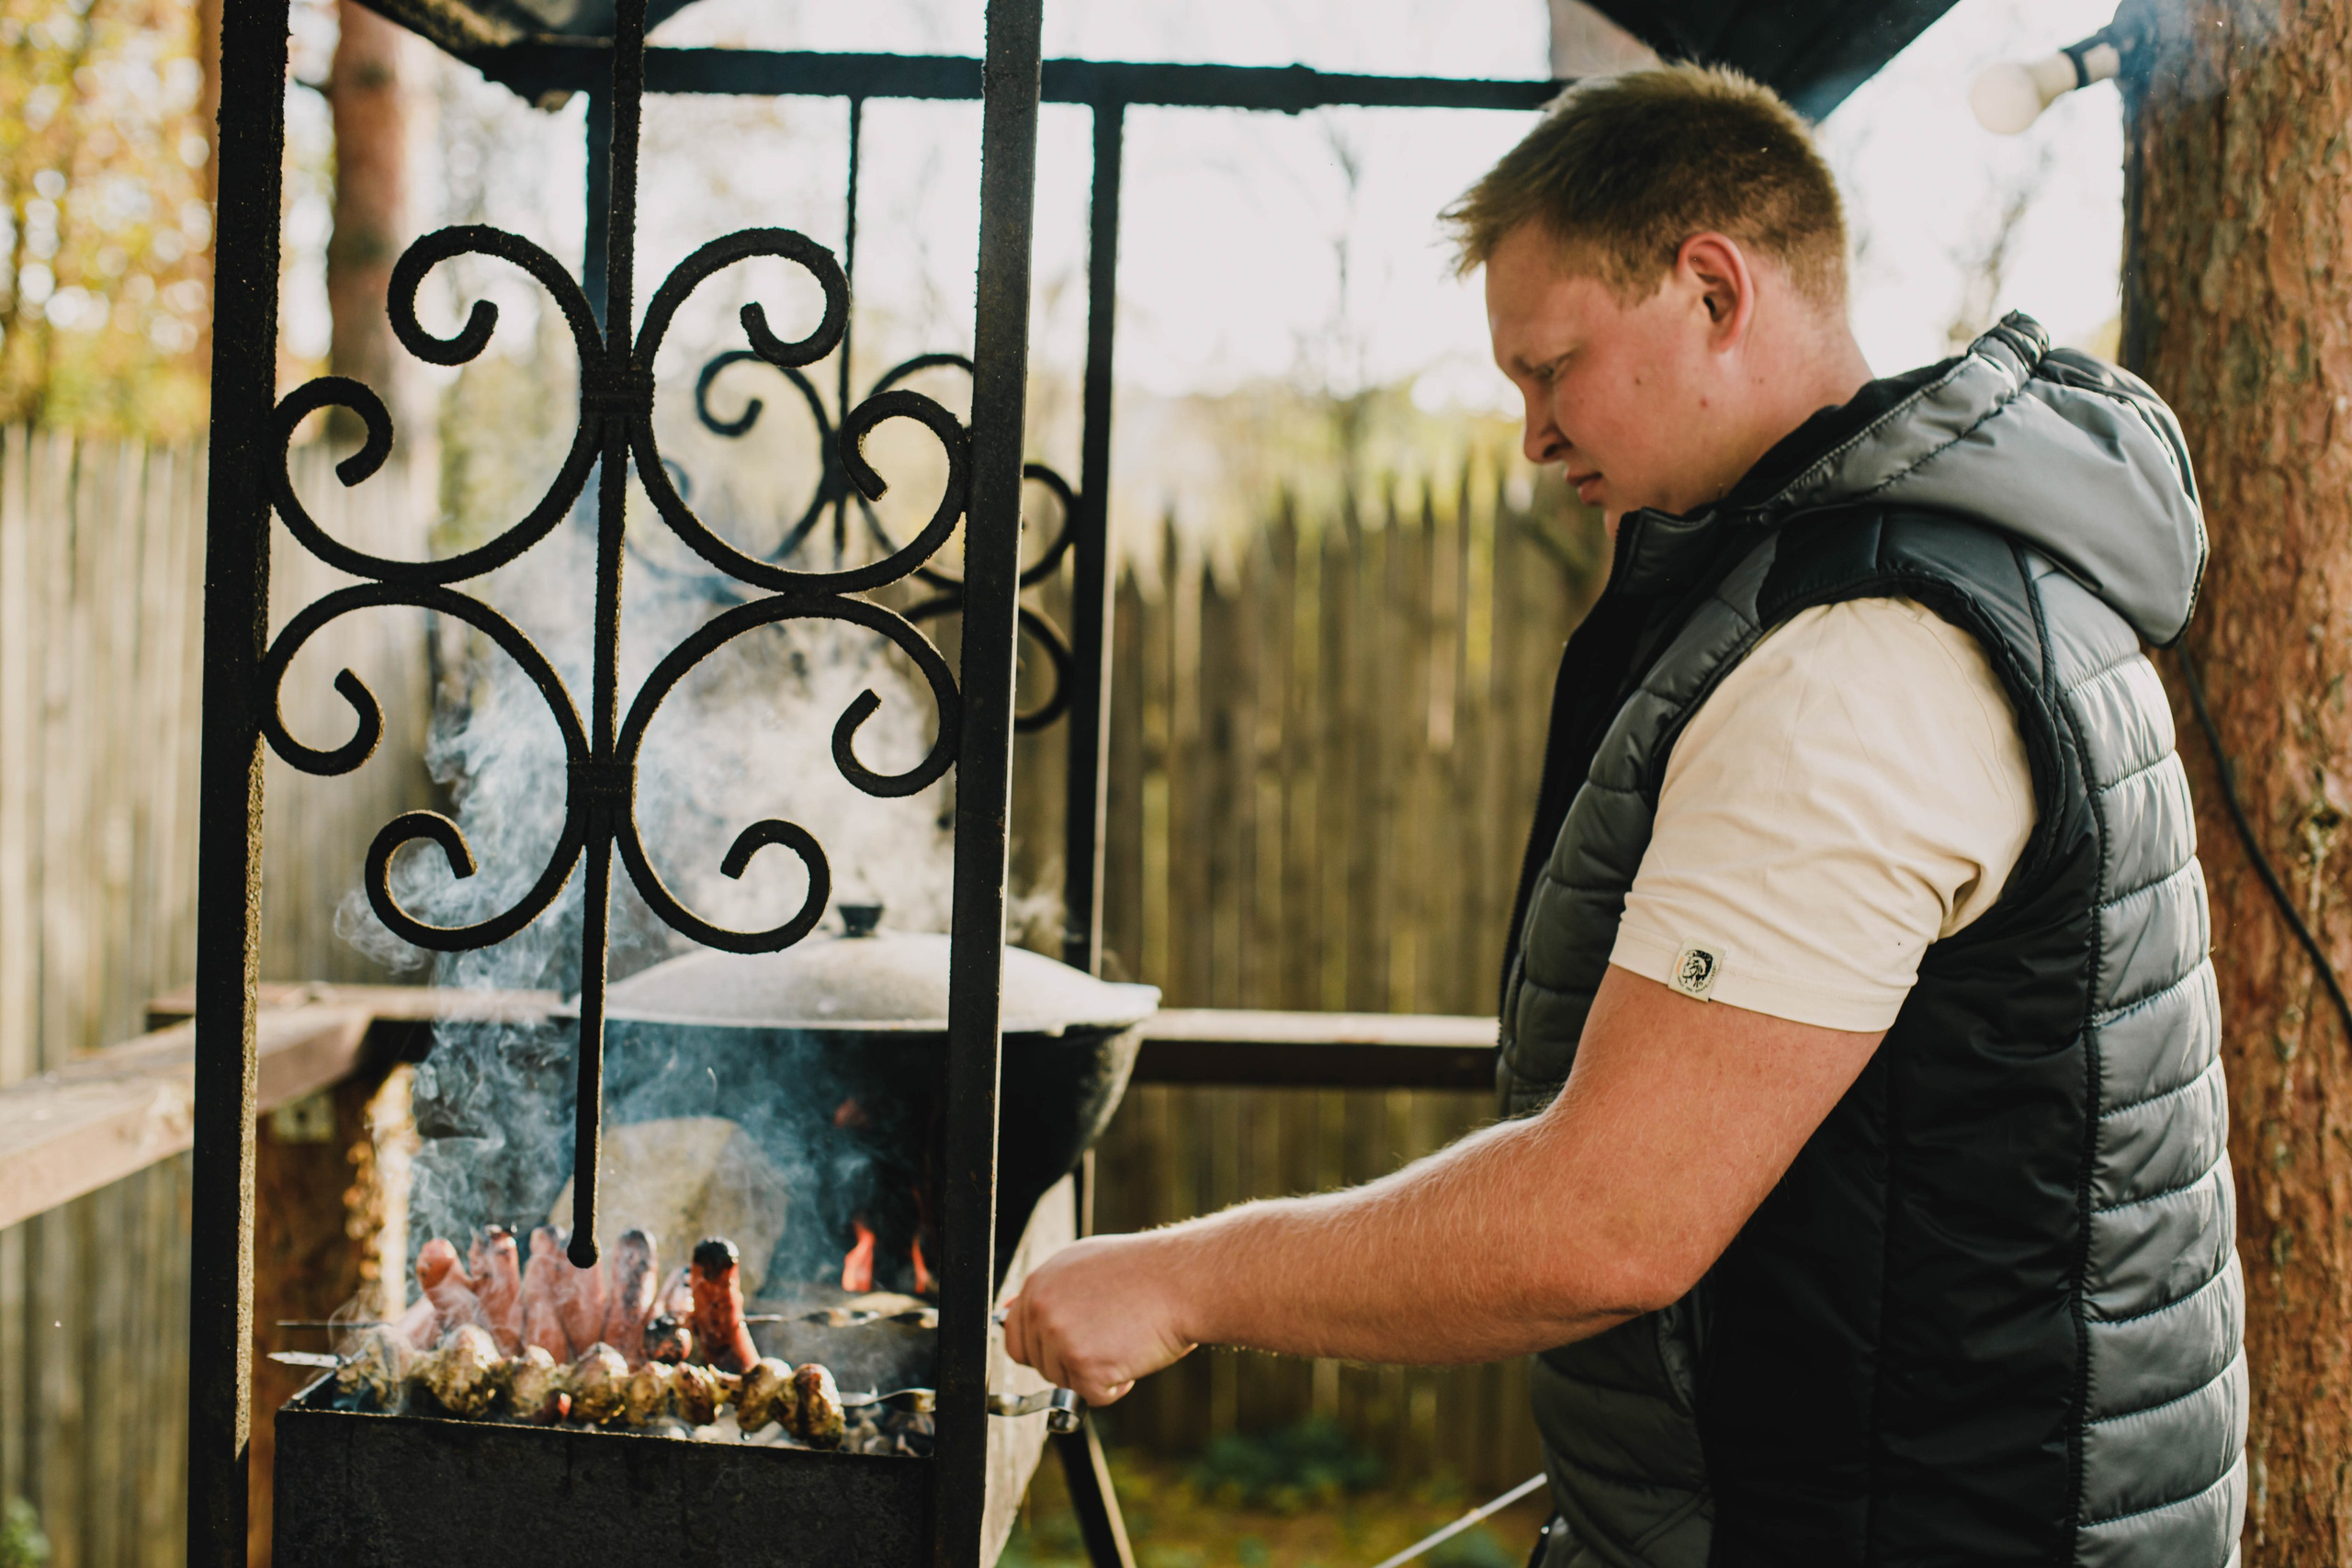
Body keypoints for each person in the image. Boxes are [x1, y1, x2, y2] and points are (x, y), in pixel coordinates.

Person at [1004, 63, 2239, 1567]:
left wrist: (1183, 1278)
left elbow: (1610, 1223)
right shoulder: (1951, 572)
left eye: (1552, 368)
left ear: (1713, 290)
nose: (1532, 433)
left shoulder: (1862, 660)